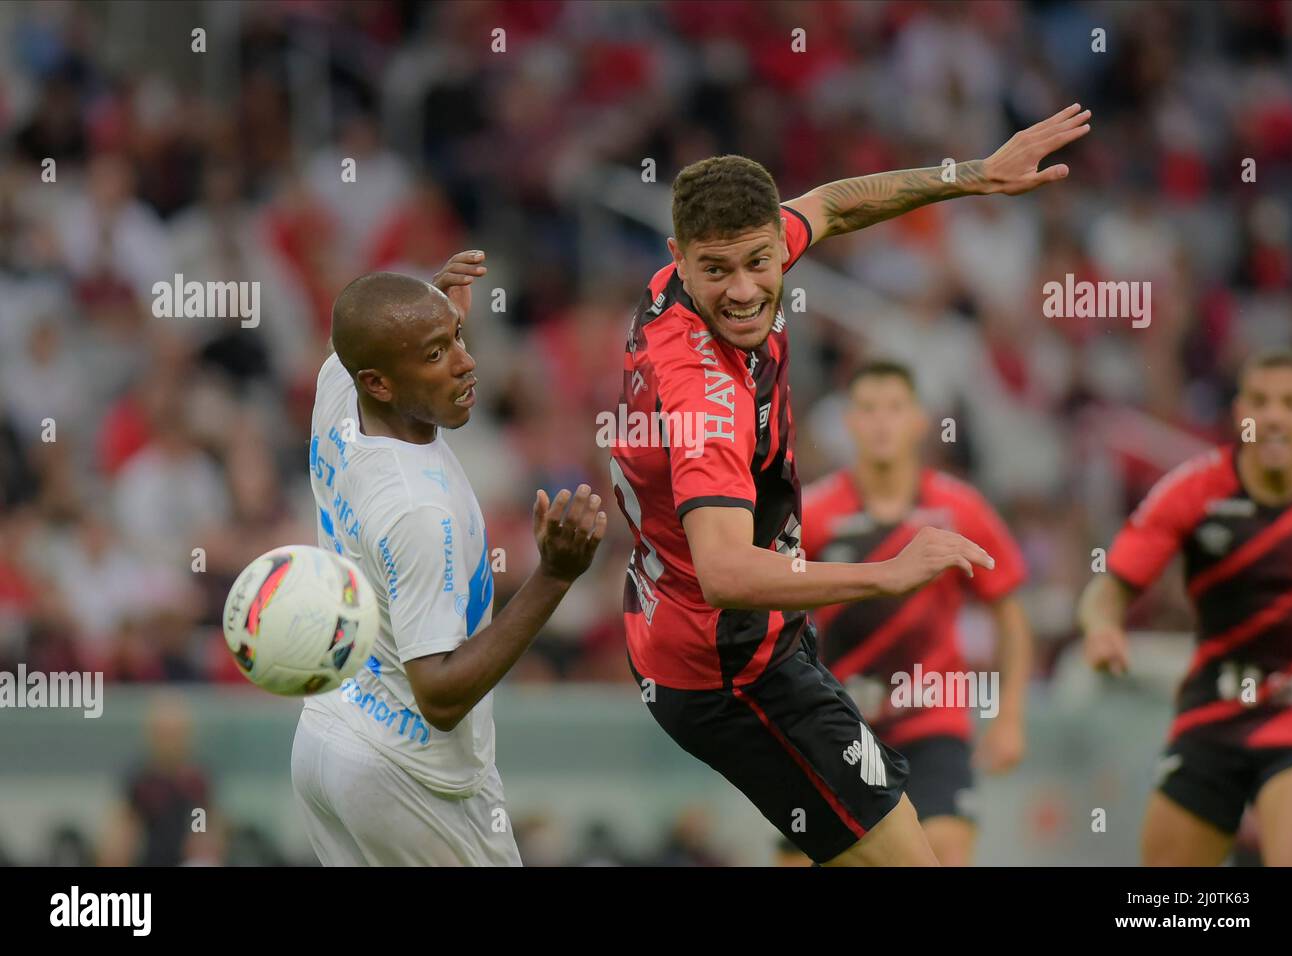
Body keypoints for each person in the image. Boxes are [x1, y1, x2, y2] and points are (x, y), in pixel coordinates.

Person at [610, 104, 1090, 866]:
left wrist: (976, 177)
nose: (742, 291)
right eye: (718, 271)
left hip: (723, 641)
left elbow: (832, 204)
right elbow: (727, 572)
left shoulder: (700, 272)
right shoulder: (706, 396)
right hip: (733, 672)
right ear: (678, 255)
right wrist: (888, 574)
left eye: (760, 262)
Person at [291, 253, 606, 866]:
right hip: (408, 775)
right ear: (379, 383)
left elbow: (368, 334)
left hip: (328, 736)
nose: (467, 363)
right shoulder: (416, 508)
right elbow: (437, 692)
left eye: (457, 338)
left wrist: (425, 308)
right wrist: (554, 576)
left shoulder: (339, 387)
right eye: (436, 355)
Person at [801, 360, 1032, 866]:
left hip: (933, 722)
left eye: (894, 408)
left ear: (919, 421)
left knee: (945, 850)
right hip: (840, 721)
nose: (882, 421)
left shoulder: (960, 510)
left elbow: (1010, 613)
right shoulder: (813, 513)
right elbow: (770, 601)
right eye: (868, 409)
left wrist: (1010, 714)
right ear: (850, 422)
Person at [1078, 348, 1292, 866]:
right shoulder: (1192, 490)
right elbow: (1108, 588)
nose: (1273, 416)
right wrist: (1101, 627)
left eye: (1291, 403)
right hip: (1212, 712)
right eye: (1260, 401)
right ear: (1239, 412)